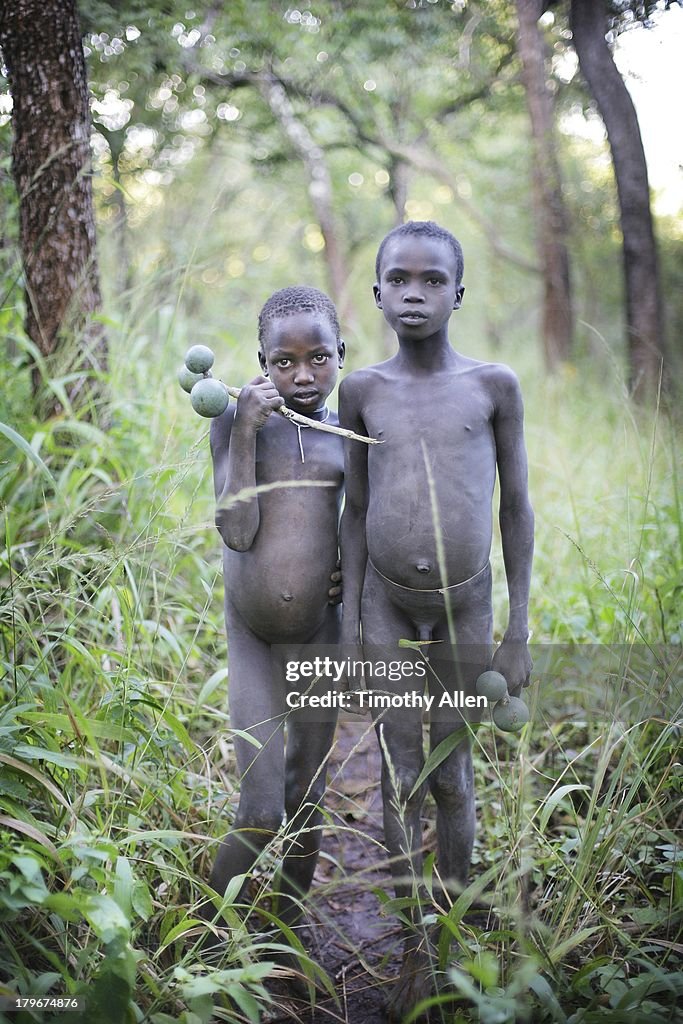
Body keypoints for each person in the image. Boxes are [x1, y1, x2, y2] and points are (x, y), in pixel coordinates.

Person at [339, 221, 534, 1017]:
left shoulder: (493, 387)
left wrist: (517, 627)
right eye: (397, 279)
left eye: (430, 280)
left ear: (459, 293)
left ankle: (453, 914)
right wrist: (352, 615)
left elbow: (515, 508)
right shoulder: (362, 391)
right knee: (394, 769)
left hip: (467, 605)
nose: (412, 292)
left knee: (450, 773)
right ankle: (406, 927)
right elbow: (354, 508)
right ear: (378, 291)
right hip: (385, 600)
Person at [207, 285, 345, 928]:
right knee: (261, 810)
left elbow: (364, 522)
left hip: (321, 637)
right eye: (282, 362)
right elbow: (236, 532)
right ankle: (211, 934)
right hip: (255, 640)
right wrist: (245, 433)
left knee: (307, 795)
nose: (301, 375)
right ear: (261, 363)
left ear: (340, 354)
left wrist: (347, 563)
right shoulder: (233, 421)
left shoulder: (350, 435)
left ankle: (286, 929)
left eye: (318, 358)